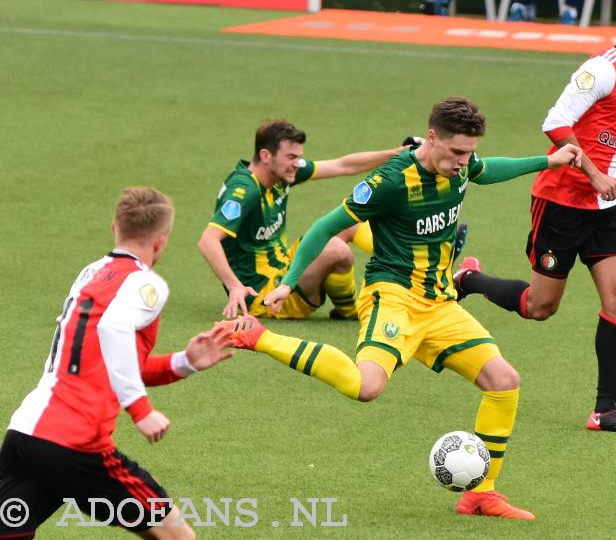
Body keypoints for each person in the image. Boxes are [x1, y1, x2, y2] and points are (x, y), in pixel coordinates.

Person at [222, 97, 582, 519]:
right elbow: (327, 226)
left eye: (469, 152)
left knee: (503, 380)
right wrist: (286, 283)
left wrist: (549, 161)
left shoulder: (462, 165)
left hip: (439, 302)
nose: (464, 162)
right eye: (456, 153)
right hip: (391, 297)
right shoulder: (389, 182)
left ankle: (481, 494)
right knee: (366, 387)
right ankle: (258, 337)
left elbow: (488, 169)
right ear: (432, 138)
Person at [456, 0, 616, 435]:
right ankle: (468, 281)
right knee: (539, 307)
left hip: (604, 210)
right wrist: (591, 173)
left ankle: (604, 411)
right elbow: (555, 122)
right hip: (561, 204)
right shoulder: (600, 70)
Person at [0, 187, 234, 539]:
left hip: (25, 436)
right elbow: (115, 329)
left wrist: (184, 362)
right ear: (160, 242)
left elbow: (111, 360)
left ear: (115, 228)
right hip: (76, 443)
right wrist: (140, 410)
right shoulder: (145, 283)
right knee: (177, 535)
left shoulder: (91, 273)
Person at [198, 119, 406, 320]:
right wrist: (234, 286)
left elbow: (343, 165)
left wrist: (396, 154)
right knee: (335, 248)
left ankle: (405, 267)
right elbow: (208, 241)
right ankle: (353, 310)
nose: (297, 164)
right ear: (266, 155)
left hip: (285, 263)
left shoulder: (281, 174)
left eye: (298, 157)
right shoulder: (245, 191)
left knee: (351, 224)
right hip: (265, 294)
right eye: (291, 157)